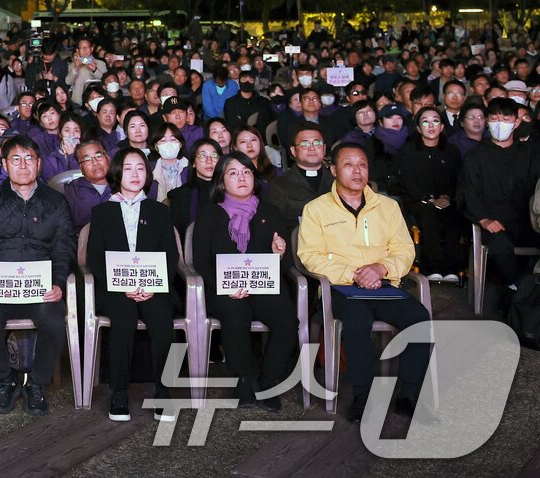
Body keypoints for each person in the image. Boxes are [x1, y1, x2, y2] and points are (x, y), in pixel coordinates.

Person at [298, 143, 432, 422]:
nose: (356, 171)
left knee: (419, 318)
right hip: (341, 288)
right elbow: (310, 256)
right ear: (333, 170)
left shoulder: (388, 207)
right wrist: (355, 274)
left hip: (383, 285)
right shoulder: (316, 209)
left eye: (362, 164)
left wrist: (381, 268)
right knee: (357, 320)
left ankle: (407, 394)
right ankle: (363, 395)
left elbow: (404, 250)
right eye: (348, 165)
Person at [0, 133, 74, 416]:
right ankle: (5, 381)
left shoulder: (56, 202)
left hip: (41, 287)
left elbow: (64, 248)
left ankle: (36, 383)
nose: (23, 165)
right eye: (15, 159)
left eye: (29, 159)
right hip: (0, 287)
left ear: (39, 163)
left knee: (53, 320)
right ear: (4, 165)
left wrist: (58, 283)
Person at [191, 150, 297, 410]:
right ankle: (242, 380)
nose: (242, 177)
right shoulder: (209, 214)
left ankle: (269, 378)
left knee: (286, 317)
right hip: (224, 289)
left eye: (247, 172)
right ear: (221, 182)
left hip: (264, 286)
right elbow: (201, 261)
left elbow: (285, 266)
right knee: (235, 312)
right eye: (233, 173)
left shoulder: (270, 212)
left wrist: (280, 253)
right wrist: (223, 286)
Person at [86, 147, 179, 422]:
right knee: (123, 318)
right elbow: (95, 257)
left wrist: (154, 285)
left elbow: (170, 255)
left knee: (162, 319)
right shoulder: (102, 212)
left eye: (140, 168)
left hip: (154, 287)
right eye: (128, 168)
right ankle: (119, 391)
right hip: (117, 289)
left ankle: (163, 391)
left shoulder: (159, 211)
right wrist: (120, 285)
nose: (135, 174)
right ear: (117, 173)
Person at [460, 98, 540, 293]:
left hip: (528, 223)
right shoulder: (475, 156)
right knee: (500, 246)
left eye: (505, 119)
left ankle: (527, 289)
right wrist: (484, 219)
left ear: (516, 122)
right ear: (487, 121)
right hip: (493, 224)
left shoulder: (531, 154)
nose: (499, 123)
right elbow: (468, 192)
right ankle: (520, 288)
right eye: (494, 119)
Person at [393, 107, 466, 283]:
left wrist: (446, 197)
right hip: (418, 202)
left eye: (435, 121)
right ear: (418, 128)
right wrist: (429, 200)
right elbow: (407, 182)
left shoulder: (452, 151)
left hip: (446, 201)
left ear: (442, 126)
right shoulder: (408, 151)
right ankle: (432, 267)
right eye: (425, 122)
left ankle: (451, 269)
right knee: (428, 214)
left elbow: (457, 179)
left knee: (455, 215)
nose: (431, 125)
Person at [264, 124, 331, 222]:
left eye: (317, 143)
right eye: (305, 144)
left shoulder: (338, 181)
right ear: (293, 151)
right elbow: (274, 223)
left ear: (324, 149)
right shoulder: (279, 186)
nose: (312, 148)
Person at [168, 139, 220, 235]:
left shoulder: (230, 193)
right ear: (193, 163)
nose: (209, 161)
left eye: (214, 156)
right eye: (203, 156)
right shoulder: (179, 196)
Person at [64, 139, 114, 236]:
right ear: (80, 167)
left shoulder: (123, 184)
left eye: (98, 156)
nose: (95, 162)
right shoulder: (72, 191)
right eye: (87, 159)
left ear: (108, 158)